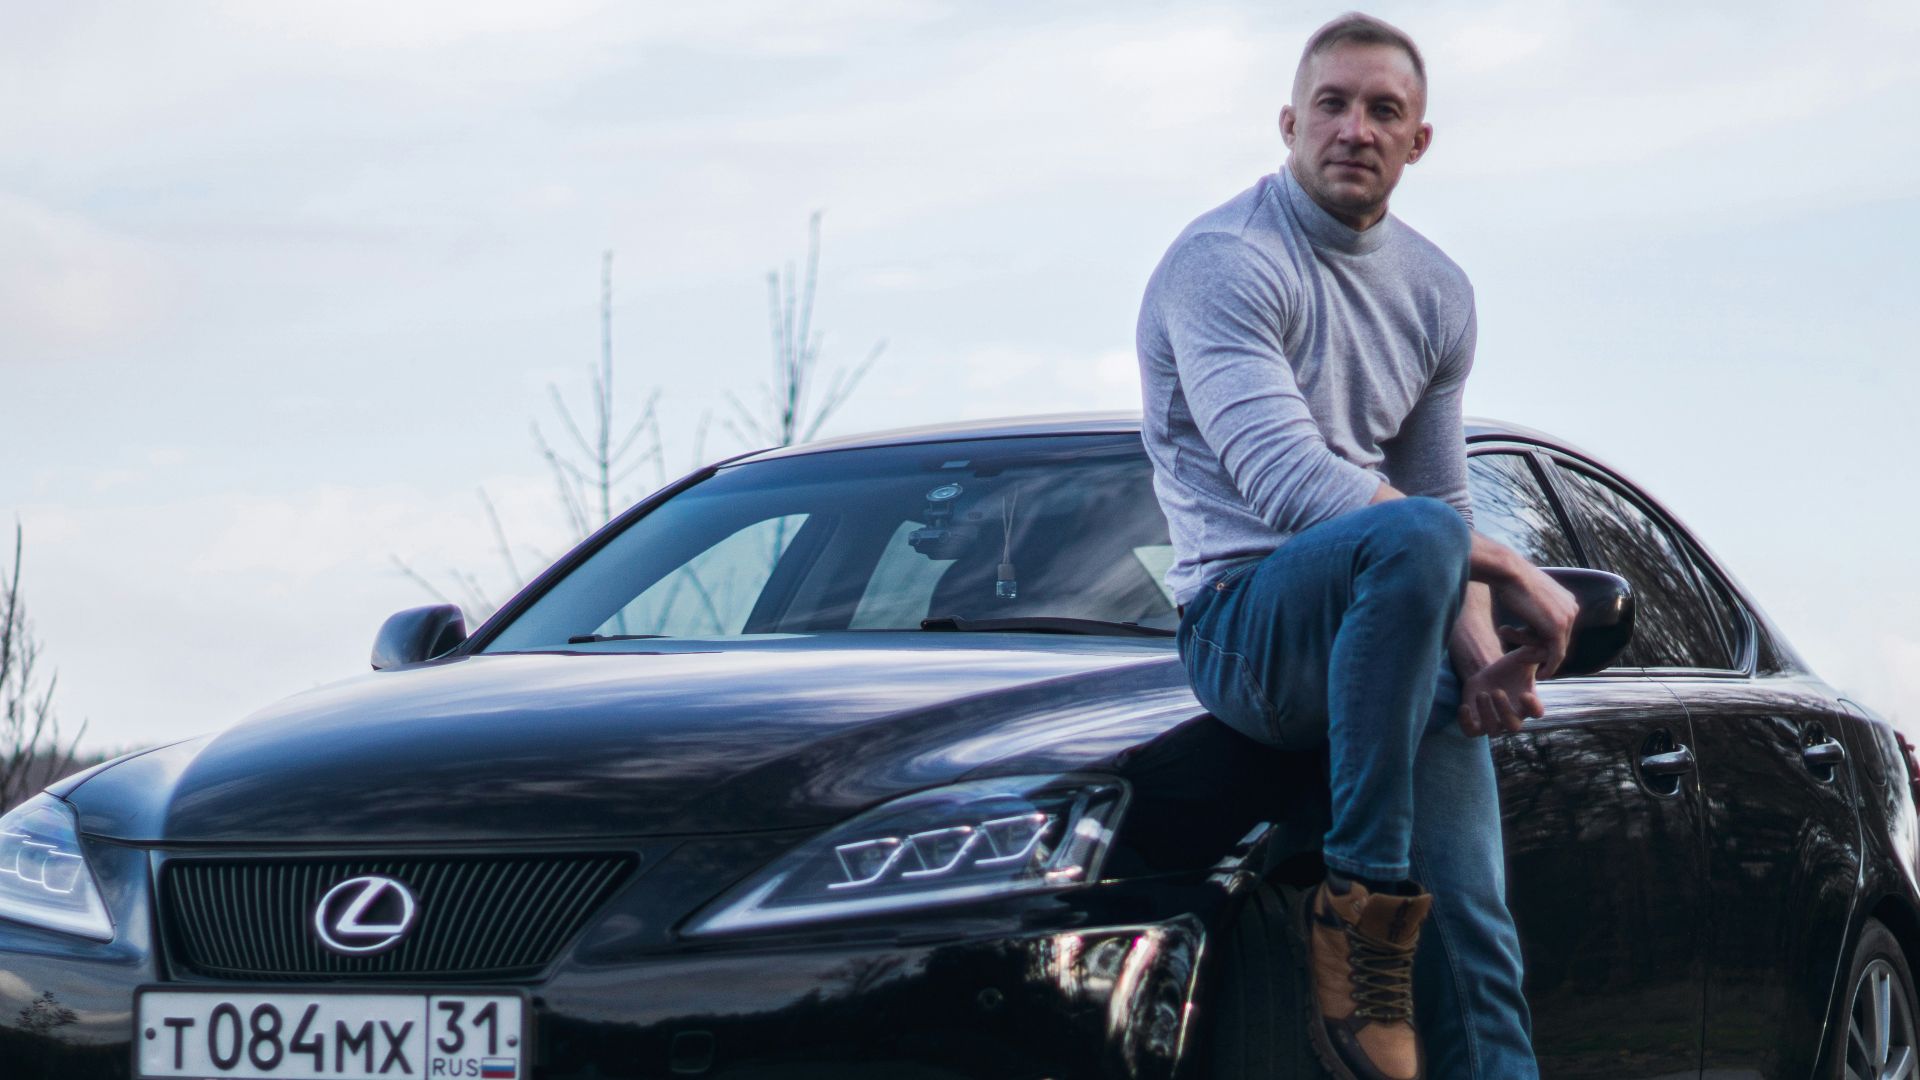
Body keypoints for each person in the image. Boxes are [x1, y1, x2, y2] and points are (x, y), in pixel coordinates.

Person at [1134, 12, 1580, 1080]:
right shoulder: (1224, 264)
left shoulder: (1437, 292)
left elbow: (1437, 496)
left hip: (1395, 628)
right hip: (1250, 630)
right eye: (1331, 105)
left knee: (1477, 935)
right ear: (1288, 124)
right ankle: (1362, 902)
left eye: (1384, 111)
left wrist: (1484, 665)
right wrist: (1513, 570)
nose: (1355, 128)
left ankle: (1407, 937)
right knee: (1417, 537)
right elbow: (1291, 484)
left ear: (1418, 141)